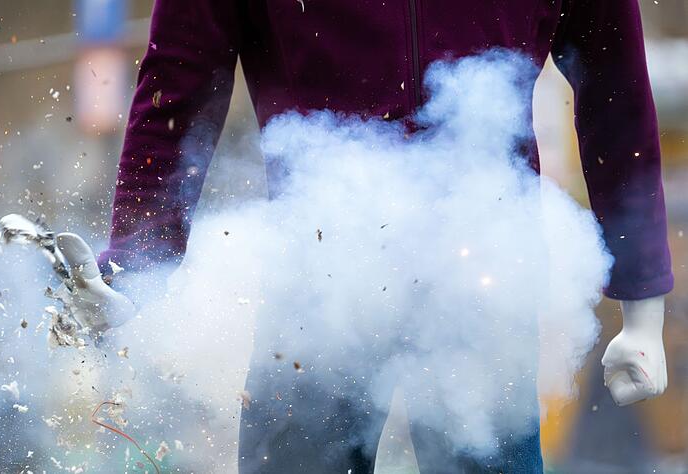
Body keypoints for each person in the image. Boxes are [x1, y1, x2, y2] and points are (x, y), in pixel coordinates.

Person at [54, 0, 673, 472]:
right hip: (318, 282)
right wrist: (138, 260)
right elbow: (179, 82)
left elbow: (616, 88)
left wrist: (643, 300)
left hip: (485, 282)